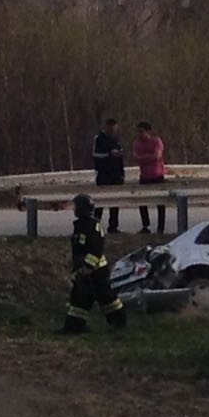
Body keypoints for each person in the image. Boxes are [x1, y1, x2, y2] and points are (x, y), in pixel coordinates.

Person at [62, 194, 127, 334]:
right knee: (80, 299)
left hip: (96, 271)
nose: (74, 210)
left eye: (76, 207)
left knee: (107, 298)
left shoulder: (93, 227)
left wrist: (88, 267)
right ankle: (73, 327)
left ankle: (119, 322)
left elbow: (96, 249)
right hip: (84, 269)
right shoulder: (80, 226)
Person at [131, 121, 167, 234]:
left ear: (148, 131)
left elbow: (157, 156)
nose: (139, 134)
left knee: (160, 203)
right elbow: (136, 158)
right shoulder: (137, 143)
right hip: (144, 176)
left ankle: (161, 228)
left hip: (157, 175)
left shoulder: (156, 141)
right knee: (142, 201)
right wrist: (149, 157)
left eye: (141, 131)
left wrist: (144, 158)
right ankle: (146, 226)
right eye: (138, 132)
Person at [92, 118, 125, 233]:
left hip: (115, 175)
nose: (112, 130)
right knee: (99, 203)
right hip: (103, 174)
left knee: (115, 203)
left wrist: (122, 173)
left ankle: (113, 226)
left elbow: (120, 158)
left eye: (114, 128)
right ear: (106, 127)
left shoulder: (116, 140)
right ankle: (95, 227)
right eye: (110, 127)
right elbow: (96, 155)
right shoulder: (99, 139)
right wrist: (109, 154)